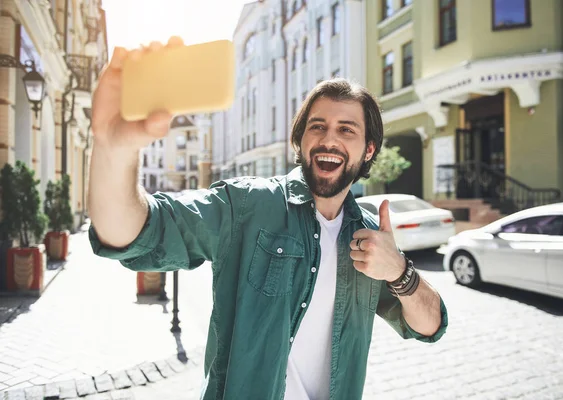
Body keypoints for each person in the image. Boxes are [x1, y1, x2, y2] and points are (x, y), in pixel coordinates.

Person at [88, 37, 448, 400]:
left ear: (368, 149)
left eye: (347, 129)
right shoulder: (247, 204)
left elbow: (431, 326)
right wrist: (114, 149)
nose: (329, 139)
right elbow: (138, 233)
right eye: (317, 126)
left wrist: (400, 272)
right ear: (300, 140)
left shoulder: (369, 234)